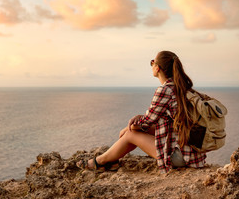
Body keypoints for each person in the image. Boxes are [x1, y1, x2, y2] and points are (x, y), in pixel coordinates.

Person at [77, 50, 206, 173]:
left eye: (152, 62)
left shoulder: (165, 90)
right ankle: (112, 161)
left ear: (157, 68)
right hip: (194, 155)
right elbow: (157, 120)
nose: (151, 66)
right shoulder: (184, 88)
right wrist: (137, 121)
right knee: (131, 130)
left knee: (130, 134)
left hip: (180, 157)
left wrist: (130, 127)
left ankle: (99, 161)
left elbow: (147, 122)